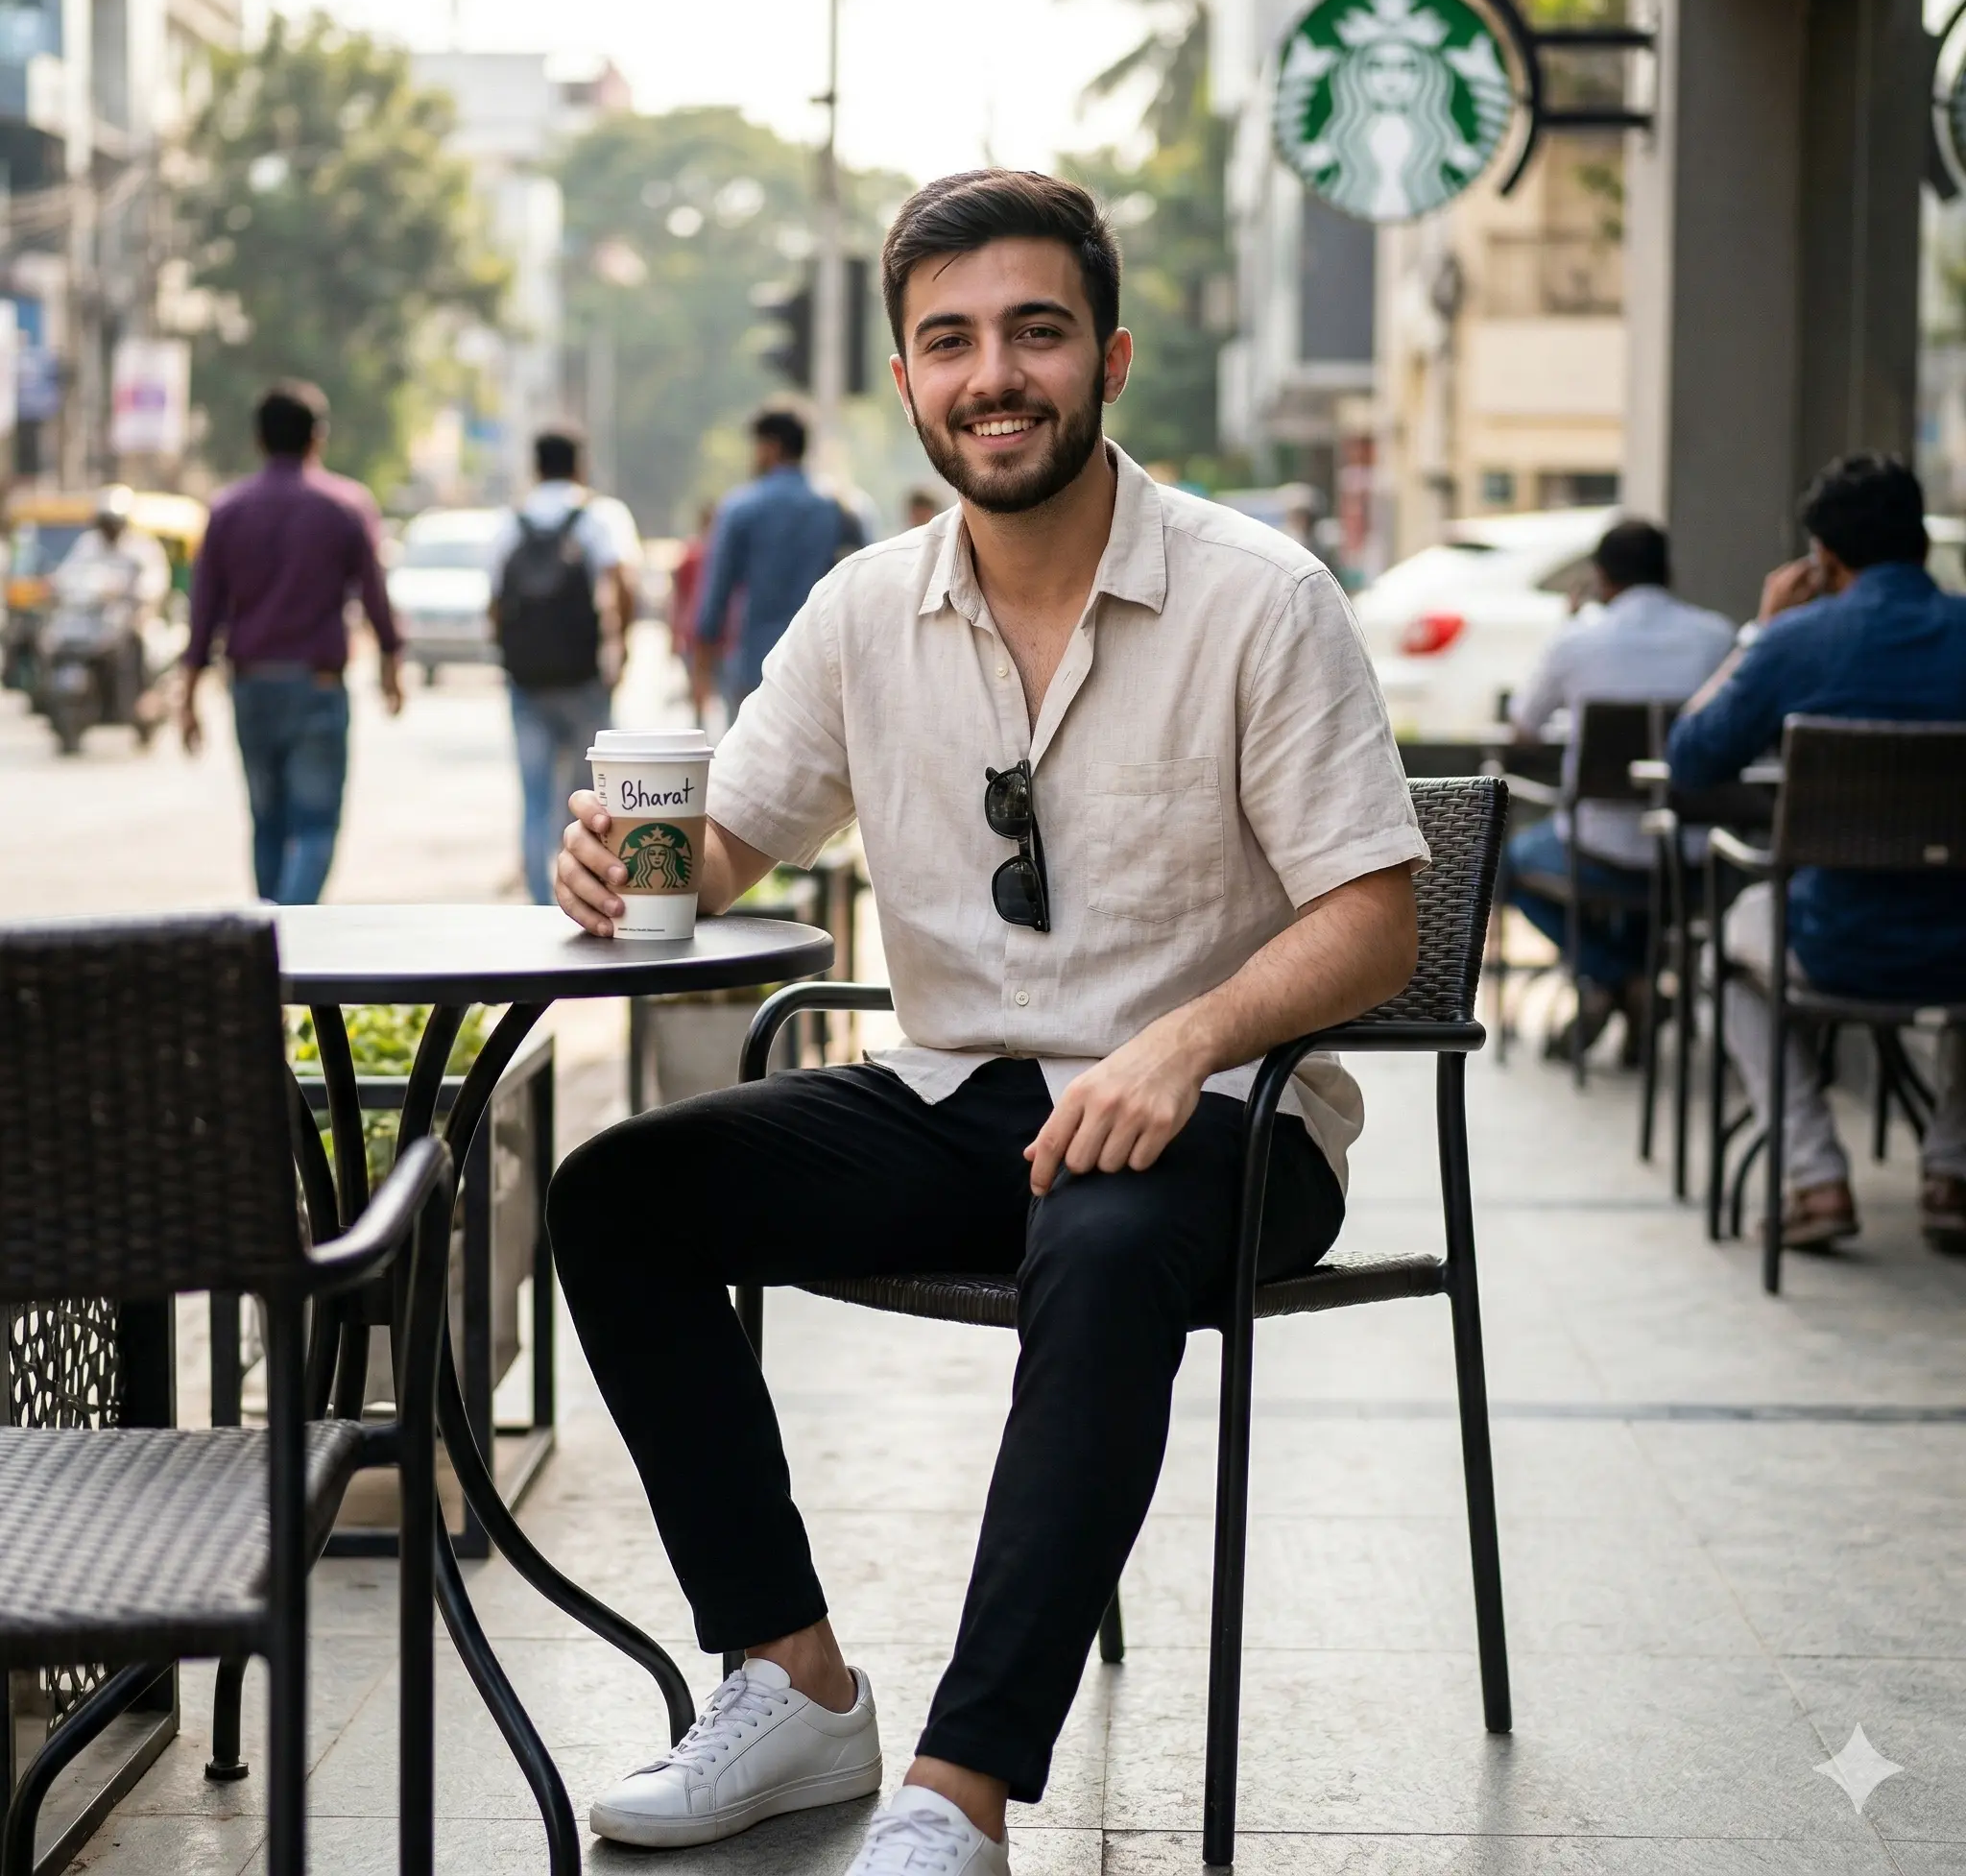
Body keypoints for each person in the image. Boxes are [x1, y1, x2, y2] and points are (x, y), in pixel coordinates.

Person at [546, 170, 1426, 1875]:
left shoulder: (1259, 596)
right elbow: (734, 833)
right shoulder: (870, 606)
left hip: (1224, 1123)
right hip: (959, 1096)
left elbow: (1376, 915)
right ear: (903, 380)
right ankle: (795, 1685)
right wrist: (623, 863)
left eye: (1031, 331)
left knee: (1095, 1253)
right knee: (617, 1193)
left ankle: (956, 1791)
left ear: (1105, 355)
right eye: (946, 341)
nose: (990, 374)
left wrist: (1179, 1042)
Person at [1669, 452, 1966, 1252]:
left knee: (1719, 963)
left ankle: (1814, 1175)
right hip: (1959, 949)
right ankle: (1952, 1170)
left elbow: (1691, 760)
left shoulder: (1798, 641)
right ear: (1922, 542)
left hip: (1835, 943)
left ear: (1823, 558)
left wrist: (1760, 630)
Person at [1505, 518, 1735, 1059]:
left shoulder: (1578, 641)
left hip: (1597, 850)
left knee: (1505, 864)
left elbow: (1523, 728)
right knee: (1649, 886)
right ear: (1668, 573)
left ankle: (1614, 977)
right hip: (1691, 852)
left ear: (1602, 579)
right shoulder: (1718, 637)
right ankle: (1636, 983)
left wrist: (1570, 629)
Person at [181, 380, 402, 904]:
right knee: (316, 827)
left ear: (259, 439)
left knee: (267, 825)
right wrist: (392, 667)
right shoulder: (345, 506)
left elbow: (203, 611)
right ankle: (286, 939)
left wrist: (187, 698)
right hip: (317, 689)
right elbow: (375, 597)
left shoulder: (228, 510)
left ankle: (267, 944)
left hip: (251, 687)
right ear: (317, 438)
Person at [490, 427, 635, 905]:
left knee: (533, 798)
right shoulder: (599, 516)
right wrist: (621, 650)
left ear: (536, 466)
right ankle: (586, 897)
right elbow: (621, 584)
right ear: (579, 465)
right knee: (588, 798)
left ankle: (538, 902)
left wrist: (510, 656)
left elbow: (493, 603)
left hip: (527, 682)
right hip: (583, 679)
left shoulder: (512, 521)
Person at [694, 408, 865, 716]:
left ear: (770, 447)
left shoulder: (740, 508)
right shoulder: (840, 508)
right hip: (823, 666)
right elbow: (862, 588)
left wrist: (702, 666)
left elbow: (715, 597)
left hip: (755, 665)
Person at [48, 486, 172, 725]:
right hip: (91, 618)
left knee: (141, 642)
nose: (109, 528)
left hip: (128, 617)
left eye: (113, 522)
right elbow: (67, 575)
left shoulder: (141, 547)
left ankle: (143, 698)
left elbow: (154, 579)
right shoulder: (87, 545)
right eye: (105, 522)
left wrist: (141, 596)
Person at [667, 500, 718, 726]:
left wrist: (674, 633)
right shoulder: (714, 553)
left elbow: (677, 599)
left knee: (698, 691)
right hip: (722, 634)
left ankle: (701, 736)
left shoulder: (691, 554)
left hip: (694, 631)